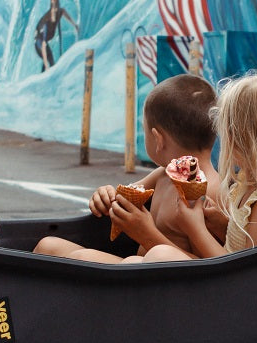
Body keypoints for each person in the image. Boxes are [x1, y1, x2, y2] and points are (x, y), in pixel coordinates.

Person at [34, 73, 221, 262]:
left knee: (82, 257)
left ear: (158, 139)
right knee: (48, 246)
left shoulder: (211, 191)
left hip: (163, 283)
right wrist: (106, 196)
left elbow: (203, 267)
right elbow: (123, 197)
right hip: (136, 272)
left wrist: (146, 234)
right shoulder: (162, 176)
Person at [142, 72, 257, 263]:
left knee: (159, 255)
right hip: (227, 284)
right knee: (132, 262)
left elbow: (240, 273)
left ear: (245, 141)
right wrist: (221, 224)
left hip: (232, 289)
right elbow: (243, 246)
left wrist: (195, 228)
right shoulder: (249, 186)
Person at [34, 0, 78, 71]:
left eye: (56, 6)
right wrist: (47, 66)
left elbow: (65, 14)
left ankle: (43, 78)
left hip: (43, 42)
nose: (55, 11)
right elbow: (43, 45)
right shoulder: (47, 22)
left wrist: (75, 25)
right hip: (38, 42)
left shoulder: (59, 12)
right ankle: (44, 77)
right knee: (47, 59)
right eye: (53, 8)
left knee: (50, 60)